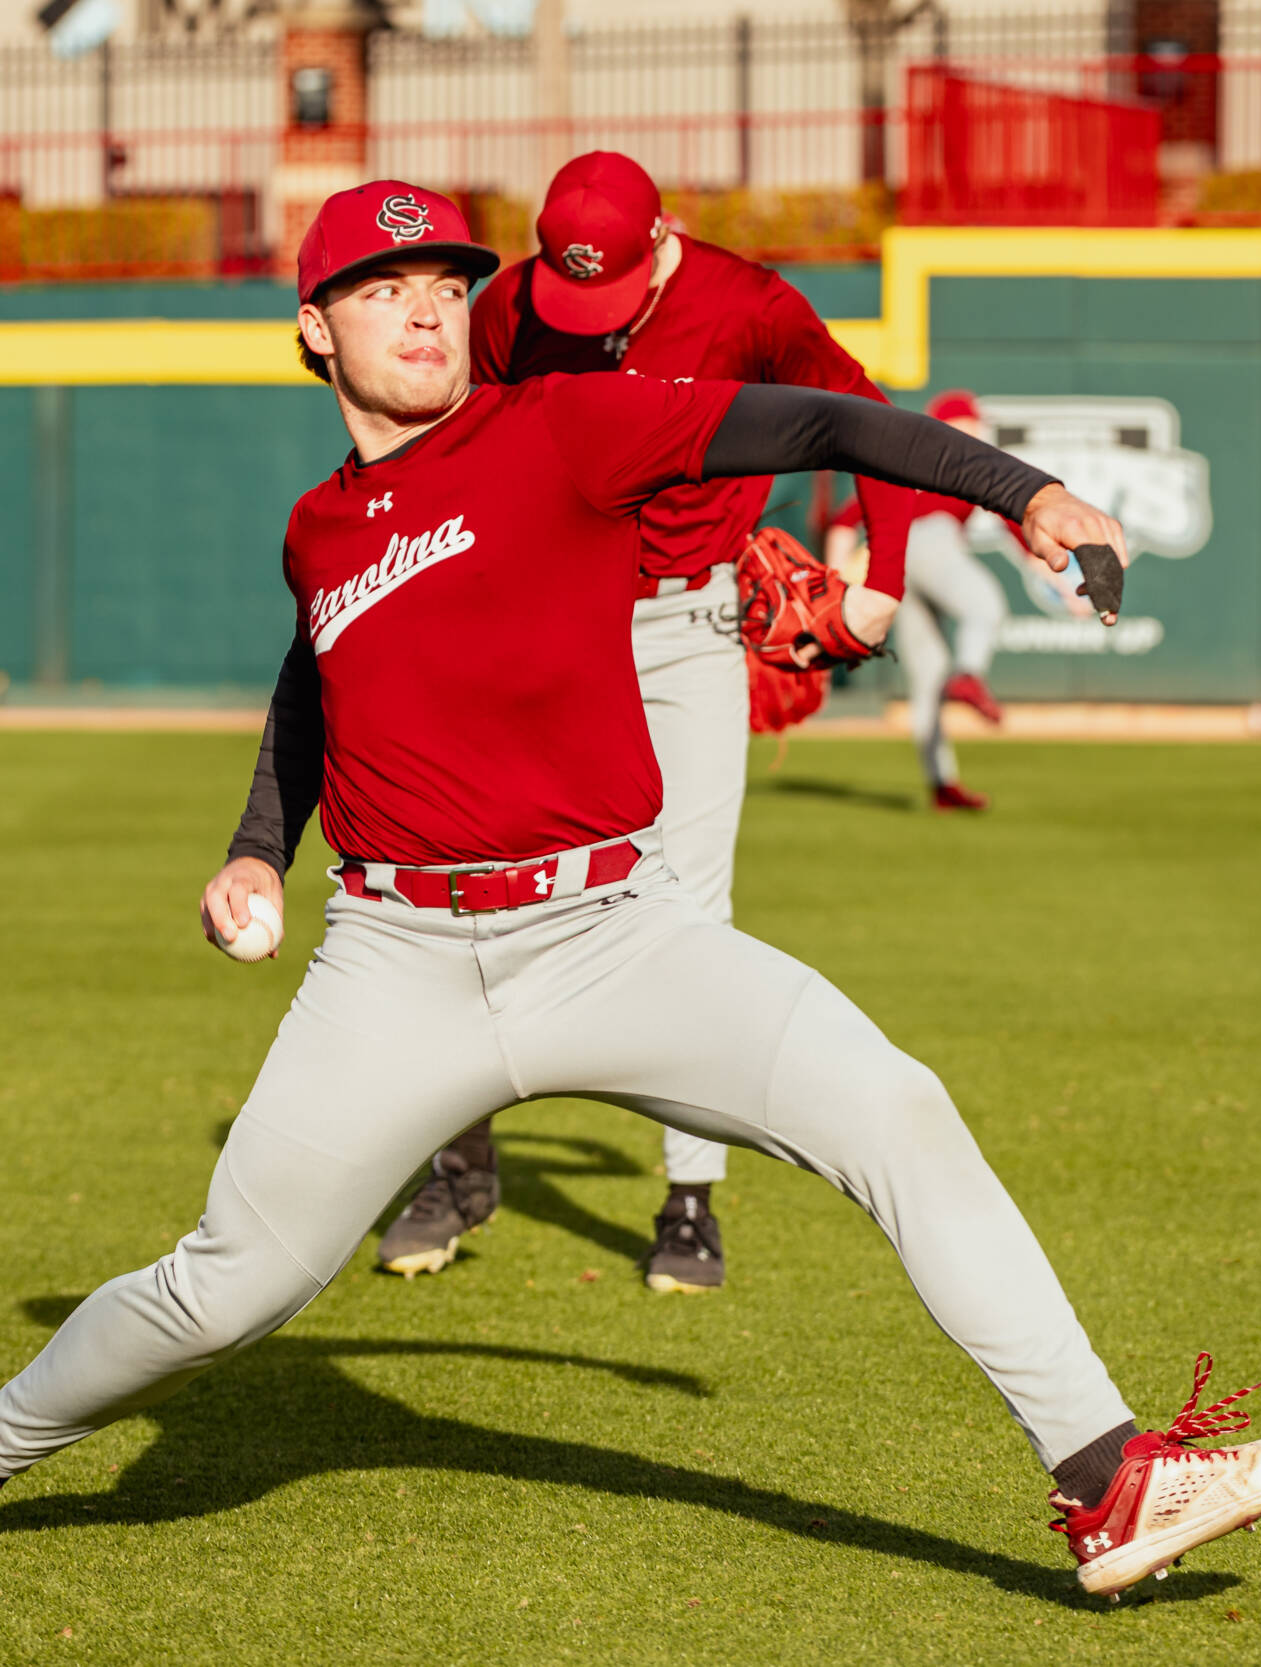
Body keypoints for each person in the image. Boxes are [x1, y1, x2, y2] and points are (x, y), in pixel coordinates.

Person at [0, 182, 1261, 1598]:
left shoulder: (566, 427)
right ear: (313, 328)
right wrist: (260, 847)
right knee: (227, 1291)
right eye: (384, 282)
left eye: (447, 282)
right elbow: (316, 682)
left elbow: (818, 420)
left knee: (896, 1105)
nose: (425, 307)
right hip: (394, 960)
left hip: (619, 931)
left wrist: (1025, 491)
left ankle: (1110, 1477)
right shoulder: (321, 525)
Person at [374, 150, 920, 1292]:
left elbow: (866, 415)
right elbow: (437, 446)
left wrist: (884, 573)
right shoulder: (517, 303)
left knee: (686, 905)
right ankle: (460, 1163)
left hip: (684, 630)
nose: (588, 318)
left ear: (663, 239)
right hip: (539, 623)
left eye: (609, 294)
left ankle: (689, 1198)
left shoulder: (748, 302)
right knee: (480, 877)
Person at [826, 390, 1020, 812]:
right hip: (930, 539)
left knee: (929, 677)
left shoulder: (905, 457)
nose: (974, 432)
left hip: (895, 559)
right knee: (984, 604)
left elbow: (845, 521)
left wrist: (834, 580)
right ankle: (969, 675)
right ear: (948, 425)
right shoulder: (961, 460)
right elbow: (1016, 521)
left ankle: (942, 784)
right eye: (966, 425)